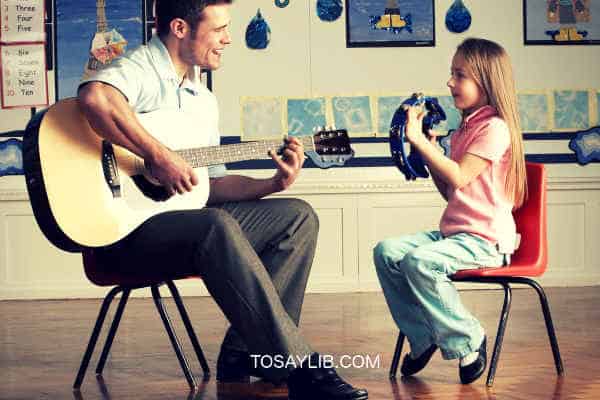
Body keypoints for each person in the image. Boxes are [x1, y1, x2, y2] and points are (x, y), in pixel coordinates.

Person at [77, 1, 368, 399]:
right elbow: (95, 98)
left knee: (297, 217)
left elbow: (210, 188)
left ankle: (245, 353)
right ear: (180, 28)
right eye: (219, 29)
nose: (228, 38)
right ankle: (298, 367)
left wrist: (272, 184)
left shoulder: (201, 98)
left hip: (181, 223)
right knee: (215, 225)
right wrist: (159, 156)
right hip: (122, 234)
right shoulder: (143, 68)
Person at [373, 37, 527, 384]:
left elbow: (458, 176)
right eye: (451, 73)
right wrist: (428, 151)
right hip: (456, 234)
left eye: (460, 75)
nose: (450, 82)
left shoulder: (496, 129)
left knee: (419, 262)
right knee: (386, 252)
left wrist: (421, 142)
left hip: (486, 240)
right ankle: (423, 336)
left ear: (486, 83)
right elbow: (451, 190)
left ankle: (468, 338)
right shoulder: (464, 130)